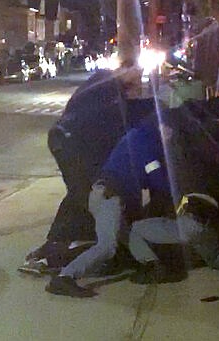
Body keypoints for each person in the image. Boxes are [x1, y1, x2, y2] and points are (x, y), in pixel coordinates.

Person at [45, 97, 219, 297]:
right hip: (108, 197)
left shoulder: (139, 136)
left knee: (131, 234)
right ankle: (64, 278)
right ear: (162, 126)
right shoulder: (146, 145)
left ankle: (151, 265)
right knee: (107, 247)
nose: (172, 134)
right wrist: (182, 194)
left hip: (107, 195)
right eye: (170, 130)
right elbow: (158, 180)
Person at [20, 66, 158, 273]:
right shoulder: (107, 85)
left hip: (69, 142)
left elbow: (125, 114)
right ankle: (56, 251)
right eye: (136, 77)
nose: (139, 83)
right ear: (124, 70)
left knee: (81, 194)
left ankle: (57, 243)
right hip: (69, 144)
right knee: (85, 194)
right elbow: (123, 115)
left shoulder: (108, 89)